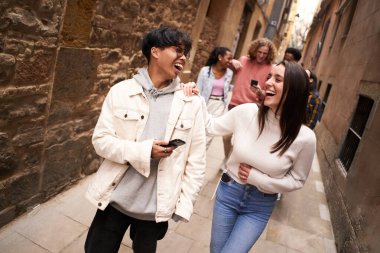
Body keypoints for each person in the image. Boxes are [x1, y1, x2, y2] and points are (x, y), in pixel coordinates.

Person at [84, 26, 206, 253]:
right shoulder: (121, 91)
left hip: (155, 208)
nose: (183, 57)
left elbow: (196, 161)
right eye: (177, 50)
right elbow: (100, 141)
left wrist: (184, 204)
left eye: (185, 52)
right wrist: (143, 151)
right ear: (155, 52)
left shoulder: (192, 103)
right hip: (115, 200)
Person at [183, 60, 316, 252]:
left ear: (294, 90)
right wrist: (195, 98)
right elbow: (209, 126)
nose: (268, 82)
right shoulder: (247, 112)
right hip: (228, 193)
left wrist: (260, 180)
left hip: (259, 206)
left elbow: (297, 180)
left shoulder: (305, 138)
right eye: (269, 76)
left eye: (278, 79)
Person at [223, 38, 276, 164]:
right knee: (226, 136)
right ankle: (227, 158)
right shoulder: (243, 60)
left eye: (265, 53)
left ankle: (232, 161)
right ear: (254, 50)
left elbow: (267, 95)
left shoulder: (270, 69)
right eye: (259, 52)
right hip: (235, 104)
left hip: (253, 107)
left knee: (241, 139)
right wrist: (232, 61)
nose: (261, 56)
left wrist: (259, 92)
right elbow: (225, 64)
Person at [196, 47, 233, 148]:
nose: (230, 61)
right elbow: (198, 89)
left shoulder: (229, 73)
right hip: (205, 103)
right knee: (199, 129)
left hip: (219, 105)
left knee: (211, 131)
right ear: (220, 57)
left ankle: (202, 154)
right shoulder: (205, 71)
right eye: (228, 58)